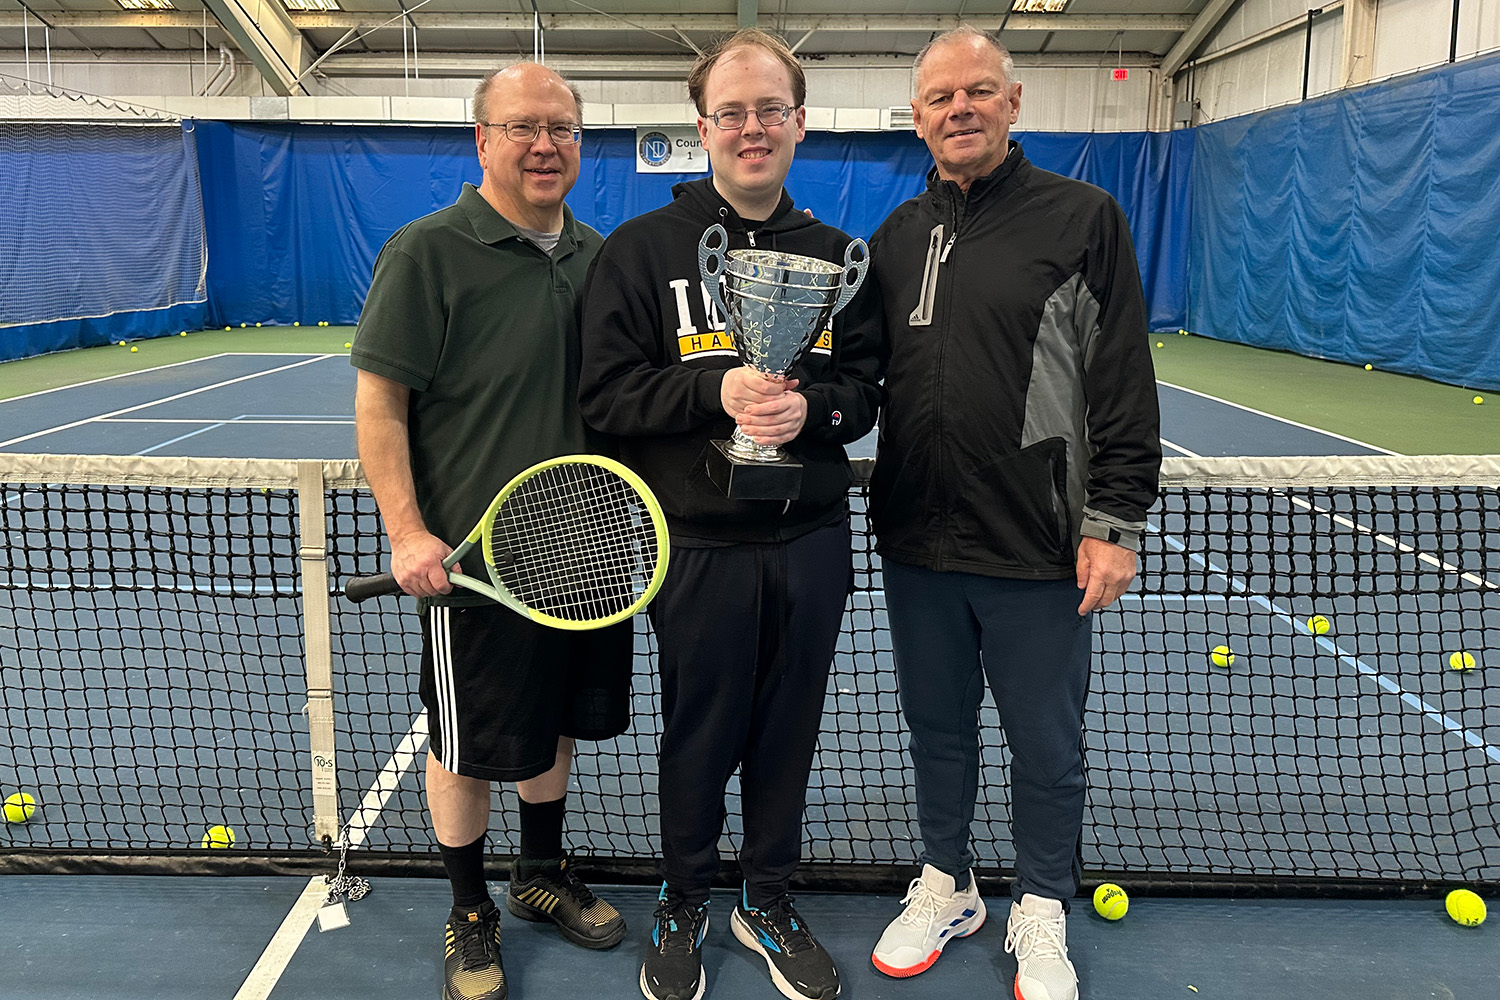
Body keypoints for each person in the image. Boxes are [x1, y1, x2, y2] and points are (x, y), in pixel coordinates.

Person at [578, 28, 884, 1000]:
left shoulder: (839, 259)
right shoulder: (638, 252)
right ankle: (683, 895)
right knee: (698, 733)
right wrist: (716, 393)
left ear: (798, 123)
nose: (752, 128)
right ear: (703, 125)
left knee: (790, 727)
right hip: (697, 543)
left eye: (770, 110)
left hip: (810, 541)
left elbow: (869, 389)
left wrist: (816, 407)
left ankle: (767, 894)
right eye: (732, 112)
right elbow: (608, 399)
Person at [864, 26, 1162, 1000]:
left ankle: (1042, 904)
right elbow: (867, 385)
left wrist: (1113, 522)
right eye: (941, 96)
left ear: (1013, 102)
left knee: (1047, 744)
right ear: (917, 118)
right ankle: (947, 882)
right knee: (936, 729)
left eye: (979, 91)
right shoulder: (899, 237)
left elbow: (1122, 381)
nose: (960, 108)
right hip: (917, 542)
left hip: (1039, 544)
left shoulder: (1085, 218)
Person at [351, 63, 632, 1000]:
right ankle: (470, 907)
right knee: (463, 744)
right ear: (483, 140)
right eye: (522, 127)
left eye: (561, 128)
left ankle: (540, 873)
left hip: (585, 554)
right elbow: (381, 404)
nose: (544, 144)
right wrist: (407, 532)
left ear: (580, 146)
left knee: (556, 728)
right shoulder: (426, 251)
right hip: (474, 567)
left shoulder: (599, 256)